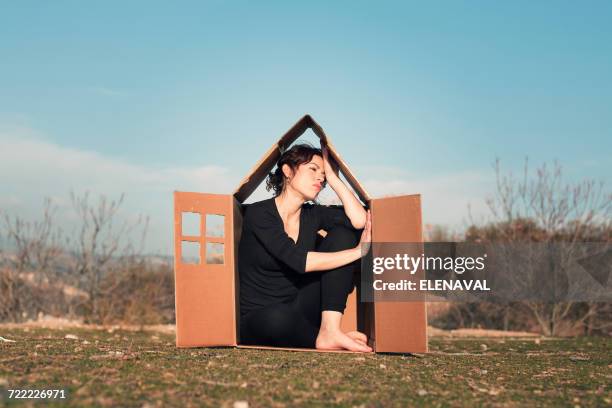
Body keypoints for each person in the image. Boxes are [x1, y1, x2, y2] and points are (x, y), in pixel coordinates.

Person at [238, 143, 372, 352]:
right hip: (261, 317)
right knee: (278, 319)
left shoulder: (312, 214)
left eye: (323, 174)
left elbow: (360, 221)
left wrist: (335, 179)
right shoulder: (259, 214)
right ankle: (323, 338)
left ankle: (330, 330)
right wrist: (358, 253)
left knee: (343, 235)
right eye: (313, 169)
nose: (321, 178)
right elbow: (298, 260)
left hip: (302, 308)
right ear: (288, 171)